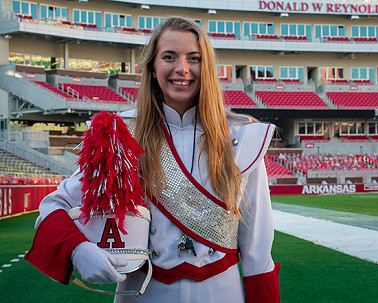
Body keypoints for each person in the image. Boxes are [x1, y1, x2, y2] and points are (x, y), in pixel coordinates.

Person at [25, 16, 280, 303]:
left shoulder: (243, 136)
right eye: (169, 57)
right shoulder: (118, 135)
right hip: (144, 294)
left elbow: (258, 253)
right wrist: (78, 249)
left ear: (206, 67)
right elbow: (53, 206)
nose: (182, 69)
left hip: (222, 293)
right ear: (152, 66)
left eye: (194, 58)